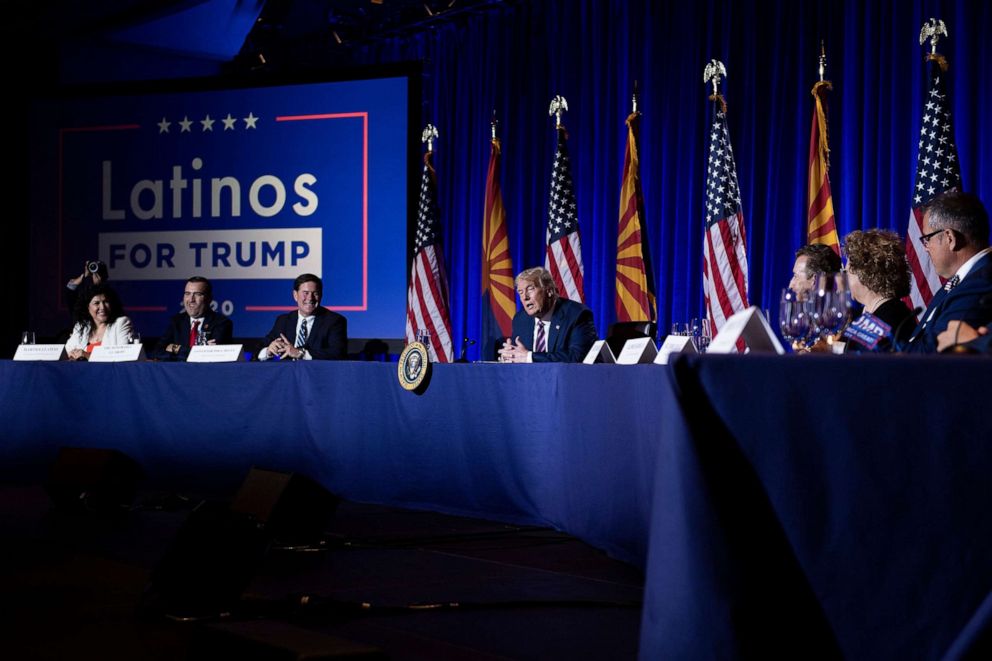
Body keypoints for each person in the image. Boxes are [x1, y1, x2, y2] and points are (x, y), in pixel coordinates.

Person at [905, 191, 992, 353]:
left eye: (927, 239)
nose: (926, 248)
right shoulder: (958, 282)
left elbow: (932, 351)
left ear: (949, 238)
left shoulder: (980, 283)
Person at [498, 267, 597, 363]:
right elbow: (520, 355)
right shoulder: (521, 319)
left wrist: (530, 357)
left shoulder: (577, 315)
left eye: (530, 289)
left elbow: (577, 357)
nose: (525, 297)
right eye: (520, 292)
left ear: (549, 291)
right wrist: (510, 356)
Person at [840, 229, 915, 352]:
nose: (844, 277)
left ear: (863, 274)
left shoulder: (892, 317)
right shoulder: (862, 314)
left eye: (847, 272)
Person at [258, 274, 347, 361]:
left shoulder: (334, 321)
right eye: (306, 293)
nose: (310, 298)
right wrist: (268, 351)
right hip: (287, 373)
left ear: (321, 296)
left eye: (315, 293)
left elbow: (338, 353)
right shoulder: (283, 320)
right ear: (295, 295)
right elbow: (256, 349)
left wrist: (301, 353)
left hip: (317, 374)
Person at [152, 276, 234, 361]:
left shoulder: (222, 323)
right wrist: (199, 350)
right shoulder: (176, 321)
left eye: (197, 294)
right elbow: (157, 352)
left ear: (209, 298)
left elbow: (212, 355)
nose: (191, 299)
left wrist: (174, 348)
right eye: (187, 294)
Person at [65, 284, 134, 360]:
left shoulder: (121, 323)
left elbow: (124, 356)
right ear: (88, 307)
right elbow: (67, 351)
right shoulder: (81, 326)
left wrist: (88, 356)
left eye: (106, 302)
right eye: (96, 303)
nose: (102, 307)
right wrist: (72, 354)